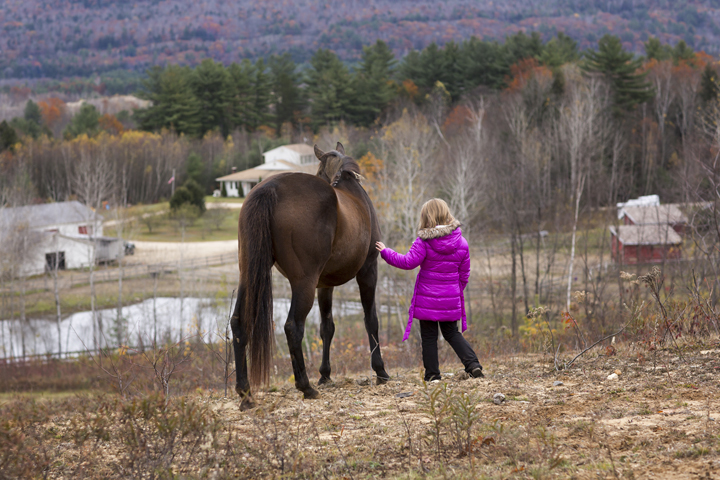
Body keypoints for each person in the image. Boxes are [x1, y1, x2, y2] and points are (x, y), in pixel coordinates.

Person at [376, 198, 484, 381]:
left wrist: (386, 252)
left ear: (427, 217)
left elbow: (408, 262)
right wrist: (454, 292)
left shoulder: (424, 241)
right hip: (451, 298)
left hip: (427, 300)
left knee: (429, 337)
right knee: (452, 333)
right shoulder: (462, 242)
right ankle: (473, 365)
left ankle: (433, 375)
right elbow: (464, 275)